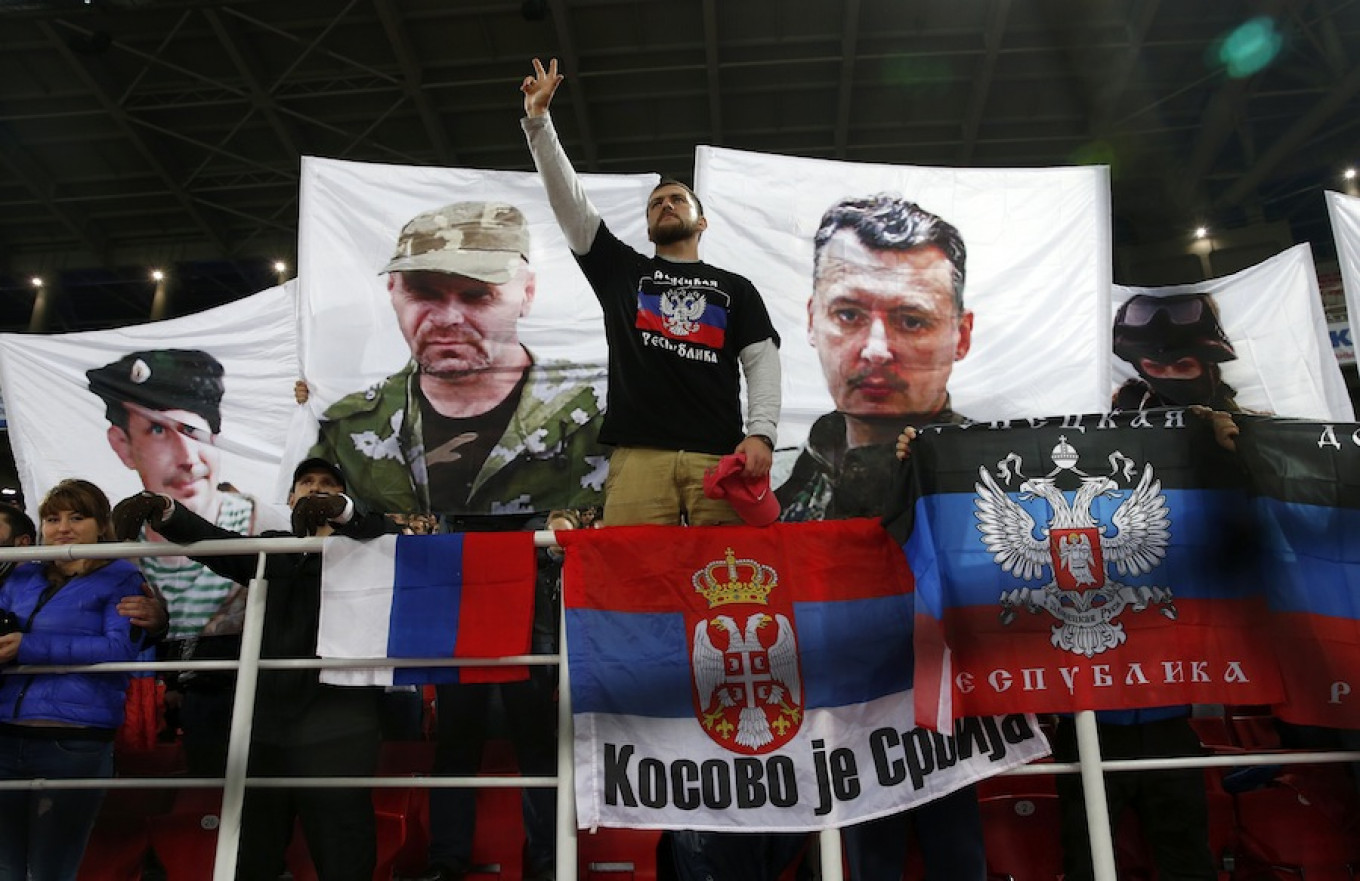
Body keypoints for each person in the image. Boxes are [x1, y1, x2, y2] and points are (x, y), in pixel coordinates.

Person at [756, 195, 983, 881]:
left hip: (949, 711)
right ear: (813, 320)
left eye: (912, 319)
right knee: (868, 860)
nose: (876, 349)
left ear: (960, 335)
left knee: (955, 853)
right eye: (849, 313)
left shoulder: (994, 476)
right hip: (846, 718)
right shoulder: (788, 487)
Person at [521, 57, 782, 526]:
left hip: (718, 459)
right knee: (634, 588)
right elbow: (570, 203)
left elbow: (762, 362)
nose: (665, 204)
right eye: (656, 202)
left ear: (700, 221)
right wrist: (539, 124)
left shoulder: (735, 288)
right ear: (646, 226)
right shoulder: (620, 271)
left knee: (729, 587)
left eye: (677, 199)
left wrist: (761, 435)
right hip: (639, 459)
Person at [111, 458, 395, 881]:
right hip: (266, 720)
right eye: (307, 483)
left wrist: (343, 512)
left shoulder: (371, 547)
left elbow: (384, 532)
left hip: (342, 718)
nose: (316, 490)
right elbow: (214, 542)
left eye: (328, 485)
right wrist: (165, 508)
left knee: (343, 845)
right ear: (290, 498)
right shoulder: (271, 548)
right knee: (254, 849)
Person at [308, 201, 609, 519]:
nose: (448, 318)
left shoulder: (598, 414)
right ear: (392, 290)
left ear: (527, 294)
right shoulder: (347, 428)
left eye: (477, 294)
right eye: (423, 292)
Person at [87, 348, 278, 774]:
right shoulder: (118, 548)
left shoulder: (262, 524)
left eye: (194, 431)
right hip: (151, 700)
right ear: (122, 445)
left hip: (246, 689)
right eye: (157, 430)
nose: (188, 457)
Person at [405, 509, 579, 881]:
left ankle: (549, 860)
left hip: (526, 617)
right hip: (465, 606)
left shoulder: (535, 511)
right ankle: (449, 859)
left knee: (534, 746)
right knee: (458, 745)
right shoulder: (453, 509)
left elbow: (553, 550)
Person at [0, 479, 157, 881]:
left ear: (101, 524)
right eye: (52, 518)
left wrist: (28, 646)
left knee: (51, 869)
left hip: (74, 740)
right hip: (5, 736)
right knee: (6, 868)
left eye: (77, 516)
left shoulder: (122, 576)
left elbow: (117, 650)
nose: (62, 527)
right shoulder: (19, 575)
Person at [1111, 292, 1239, 412]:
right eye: (1155, 366)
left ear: (1208, 367)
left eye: (1183, 365)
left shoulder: (1244, 424)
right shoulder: (1125, 408)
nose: (1169, 372)